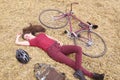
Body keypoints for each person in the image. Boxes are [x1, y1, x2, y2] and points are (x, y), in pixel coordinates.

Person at [15, 23, 104, 80]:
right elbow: (17, 43)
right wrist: (18, 37)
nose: (27, 37)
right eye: (25, 37)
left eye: (27, 35)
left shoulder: (41, 34)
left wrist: (58, 41)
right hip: (53, 52)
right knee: (72, 63)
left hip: (59, 46)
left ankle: (78, 71)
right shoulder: (31, 42)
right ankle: (93, 76)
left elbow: (50, 37)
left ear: (30, 33)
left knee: (78, 49)